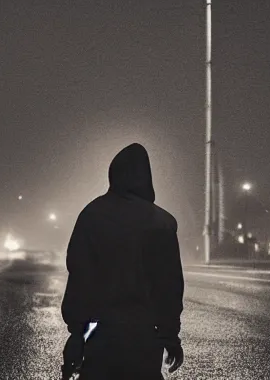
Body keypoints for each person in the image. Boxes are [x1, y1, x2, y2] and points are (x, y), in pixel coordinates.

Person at [61, 143, 185, 379]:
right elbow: (169, 286)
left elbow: (79, 278)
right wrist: (170, 336)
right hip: (145, 335)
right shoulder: (162, 222)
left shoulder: (91, 215)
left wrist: (77, 334)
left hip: (100, 333)